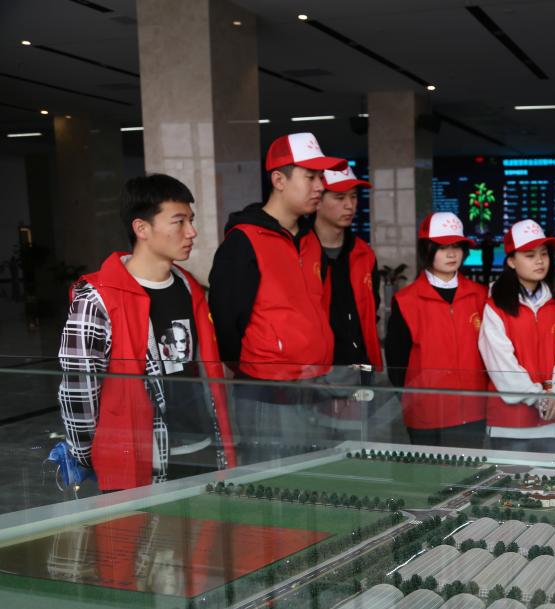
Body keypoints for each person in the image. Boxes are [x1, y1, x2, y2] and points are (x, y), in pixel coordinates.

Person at [58, 174, 235, 491]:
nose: (191, 232)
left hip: (201, 447)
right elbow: (79, 387)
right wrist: (87, 455)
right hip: (139, 458)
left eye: (191, 220)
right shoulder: (98, 298)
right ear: (142, 228)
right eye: (179, 221)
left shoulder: (190, 288)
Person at [208, 132, 344, 459]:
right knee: (271, 481)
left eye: (321, 177)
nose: (320, 186)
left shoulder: (310, 239)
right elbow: (226, 321)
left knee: (314, 479)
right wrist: (260, 363)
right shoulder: (244, 241)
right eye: (310, 177)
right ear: (279, 180)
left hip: (314, 382)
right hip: (267, 390)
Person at [386, 213, 488, 447]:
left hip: (473, 411)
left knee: (468, 469)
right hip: (426, 414)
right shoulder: (406, 300)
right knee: (429, 471)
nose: (452, 254)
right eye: (442, 247)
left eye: (456, 246)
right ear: (427, 250)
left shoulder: (480, 295)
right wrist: (414, 399)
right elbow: (396, 362)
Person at [479, 219, 555, 452]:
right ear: (511, 261)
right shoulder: (495, 307)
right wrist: (539, 398)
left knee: (549, 476)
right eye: (529, 255)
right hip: (509, 423)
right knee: (510, 477)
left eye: (544, 254)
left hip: (551, 419)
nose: (539, 261)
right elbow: (501, 365)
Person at [314, 164, 382, 370]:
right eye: (340, 197)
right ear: (317, 201)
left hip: (361, 367)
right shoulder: (298, 252)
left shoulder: (364, 254)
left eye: (353, 197)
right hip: (316, 371)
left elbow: (371, 310)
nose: (350, 205)